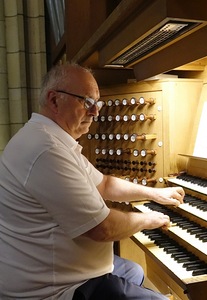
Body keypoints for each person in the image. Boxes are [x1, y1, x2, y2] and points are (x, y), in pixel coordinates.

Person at [0, 63, 185, 299]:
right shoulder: (45, 150)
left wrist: (154, 194)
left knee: (134, 270)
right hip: (53, 289)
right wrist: (148, 219)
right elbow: (103, 228)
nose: (95, 112)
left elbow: (105, 184)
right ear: (55, 100)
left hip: (57, 268)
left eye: (97, 104)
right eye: (86, 102)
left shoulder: (50, 139)